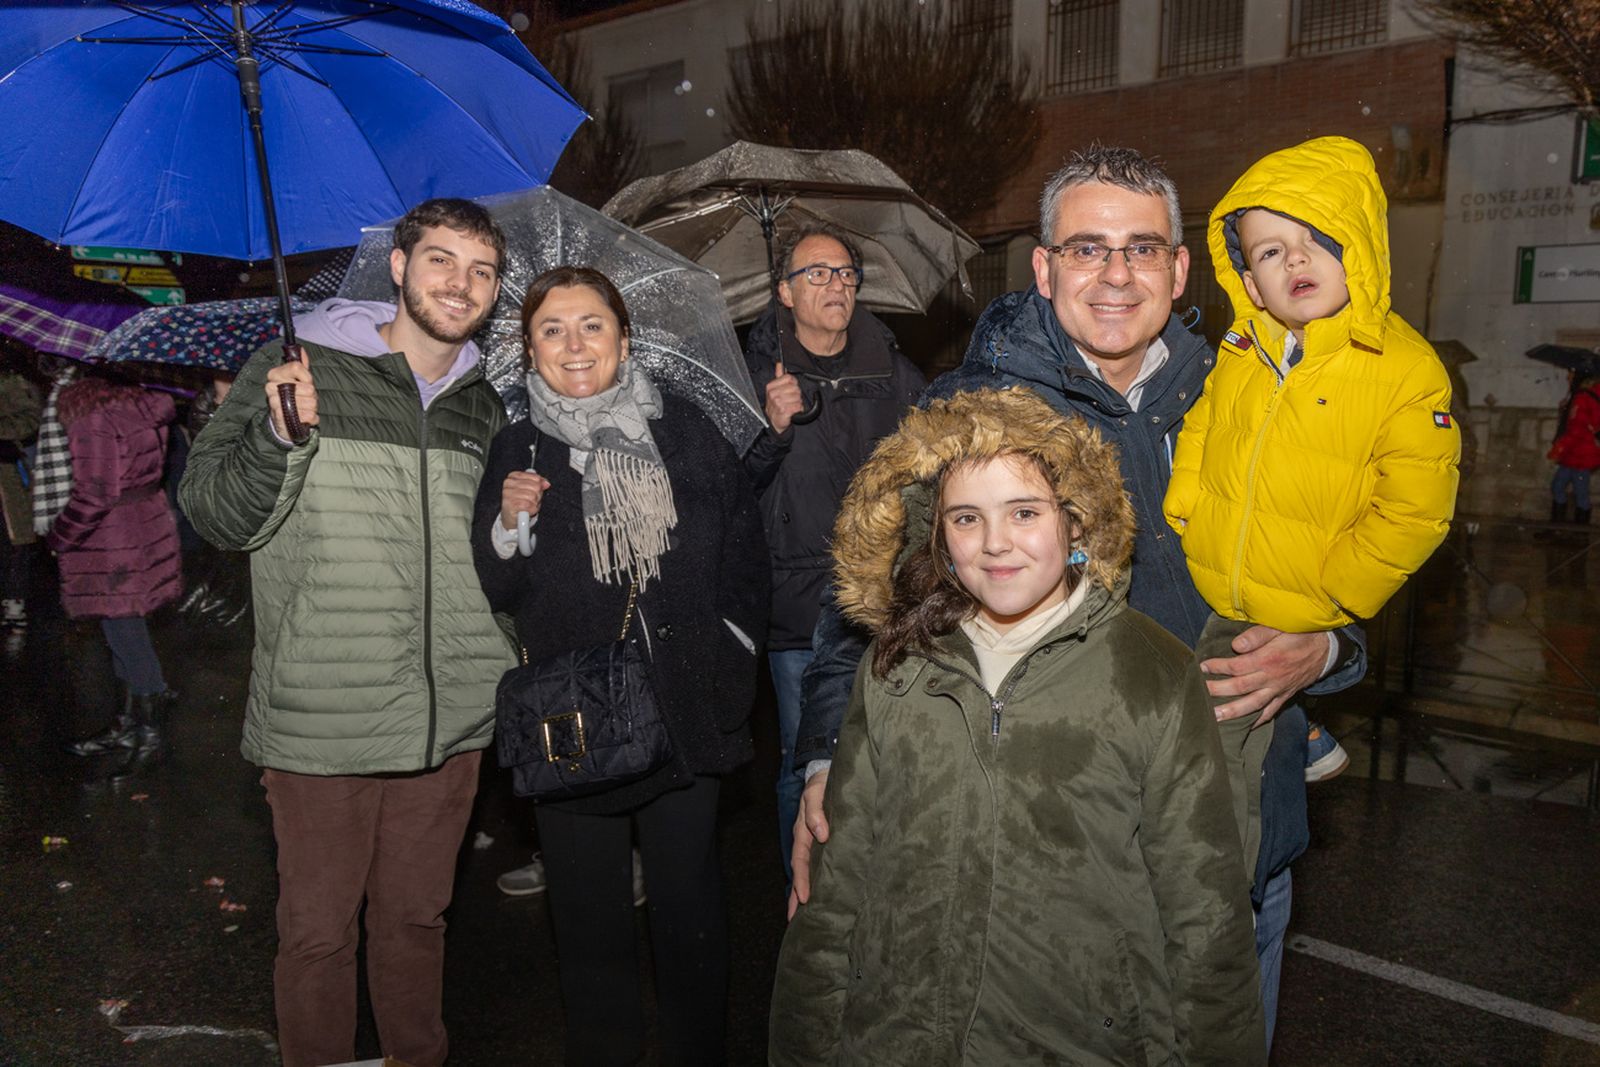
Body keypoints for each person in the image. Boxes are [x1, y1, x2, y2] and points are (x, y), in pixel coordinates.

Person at [789, 146, 1367, 1048]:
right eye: (1088, 248)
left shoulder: (1260, 398)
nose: (1115, 274)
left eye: (1140, 249)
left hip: (1242, 826)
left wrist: (1328, 647)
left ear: (1179, 270)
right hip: (1047, 849)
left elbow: (1352, 554)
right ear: (1046, 267)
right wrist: (827, 765)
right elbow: (862, 607)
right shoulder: (973, 412)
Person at [770, 387, 1264, 1065]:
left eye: (1024, 511)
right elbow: (837, 890)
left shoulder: (1151, 672)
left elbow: (1205, 913)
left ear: (1076, 523)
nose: (995, 542)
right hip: (895, 1041)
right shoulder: (896, 669)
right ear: (936, 533)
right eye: (966, 517)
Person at [179, 198, 514, 1067]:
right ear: (398, 267)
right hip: (325, 710)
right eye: (441, 261)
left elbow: (494, 558)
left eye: (481, 270)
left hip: (452, 719)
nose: (461, 284)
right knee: (319, 936)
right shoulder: (297, 365)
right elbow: (216, 514)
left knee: (416, 922)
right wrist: (275, 435)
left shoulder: (487, 404)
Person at [472, 266, 767, 1066]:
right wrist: (510, 522)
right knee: (590, 918)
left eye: (593, 325)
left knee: (690, 911)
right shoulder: (516, 445)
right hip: (577, 719)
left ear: (624, 337)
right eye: (553, 330)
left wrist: (734, 661)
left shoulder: (687, 430)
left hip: (686, 705)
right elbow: (498, 580)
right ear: (529, 351)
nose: (576, 344)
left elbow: (743, 553)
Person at [1164, 136, 1460, 858]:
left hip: (1294, 606)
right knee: (1190, 729)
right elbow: (1206, 424)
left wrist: (1338, 588)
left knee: (1218, 778)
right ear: (1249, 280)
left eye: (1314, 240)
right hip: (1217, 583)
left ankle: (1217, 892)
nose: (1293, 260)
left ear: (1355, 249)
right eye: (1268, 251)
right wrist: (1188, 503)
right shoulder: (1242, 347)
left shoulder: (1404, 369)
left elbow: (1415, 509)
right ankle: (1303, 740)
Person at [742, 223, 923, 880]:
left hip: (881, 591)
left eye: (845, 273)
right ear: (785, 292)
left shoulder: (893, 369)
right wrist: (773, 429)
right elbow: (734, 489)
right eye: (816, 273)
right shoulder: (757, 376)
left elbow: (930, 462)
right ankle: (808, 897)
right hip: (794, 596)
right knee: (805, 754)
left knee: (883, 744)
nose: (835, 285)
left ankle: (873, 886)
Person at [47, 371, 182, 781]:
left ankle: (149, 736)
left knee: (127, 635)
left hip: (113, 537)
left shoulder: (92, 414)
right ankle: (128, 726)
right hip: (143, 521)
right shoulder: (142, 401)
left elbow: (96, 491)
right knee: (122, 630)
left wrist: (60, 535)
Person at [1547, 369, 1600, 525]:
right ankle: (1559, 528)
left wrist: (1559, 448)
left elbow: (1577, 428)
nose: (1567, 376)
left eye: (1571, 373)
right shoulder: (1581, 396)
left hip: (1580, 454)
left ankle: (1578, 534)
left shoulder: (1582, 397)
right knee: (1560, 486)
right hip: (1575, 453)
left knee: (1578, 492)